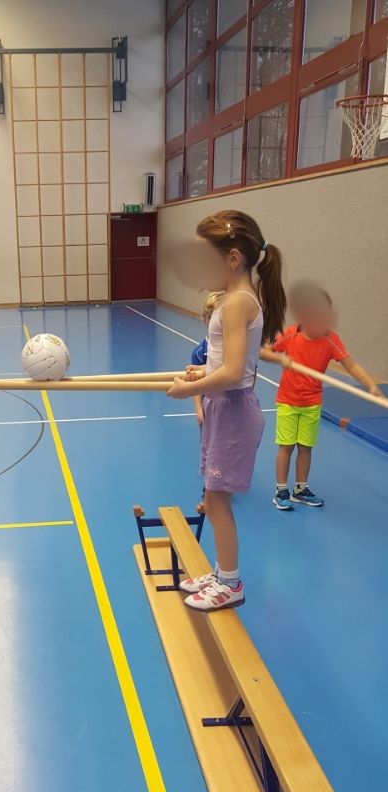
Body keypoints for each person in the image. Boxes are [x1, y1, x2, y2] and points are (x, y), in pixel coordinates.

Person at [167, 210, 286, 611]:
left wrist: (191, 390)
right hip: (224, 407)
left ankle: (230, 583)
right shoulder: (235, 300)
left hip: (232, 410)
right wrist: (202, 370)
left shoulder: (236, 303)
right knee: (214, 497)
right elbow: (229, 363)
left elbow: (235, 372)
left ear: (232, 258)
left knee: (217, 501)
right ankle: (221, 573)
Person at [270, 282, 382, 510]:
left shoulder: (331, 339)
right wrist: (280, 358)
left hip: (312, 403)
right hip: (288, 402)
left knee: (305, 447)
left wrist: (371, 385)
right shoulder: (290, 334)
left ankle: (300, 489)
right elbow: (263, 350)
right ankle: (281, 489)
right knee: (286, 446)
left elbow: (351, 365)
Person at [192, 292, 222, 514]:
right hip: (209, 405)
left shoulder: (232, 350)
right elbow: (193, 384)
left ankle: (221, 481)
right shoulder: (200, 351)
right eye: (211, 317)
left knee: (225, 447)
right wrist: (198, 409)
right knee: (210, 447)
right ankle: (211, 484)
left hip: (229, 406)